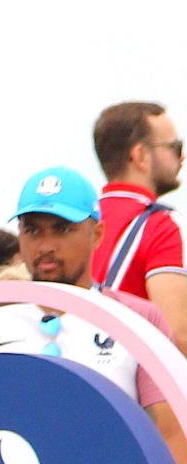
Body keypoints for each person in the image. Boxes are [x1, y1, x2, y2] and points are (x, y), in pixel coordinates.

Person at [0, 168, 187, 464]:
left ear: (97, 234)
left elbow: (170, 433)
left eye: (62, 229)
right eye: (32, 231)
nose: (46, 245)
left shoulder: (139, 319)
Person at [93, 101, 187, 336]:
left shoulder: (80, 223)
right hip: (129, 369)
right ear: (141, 155)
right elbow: (177, 333)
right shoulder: (163, 224)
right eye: (175, 147)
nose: (182, 156)